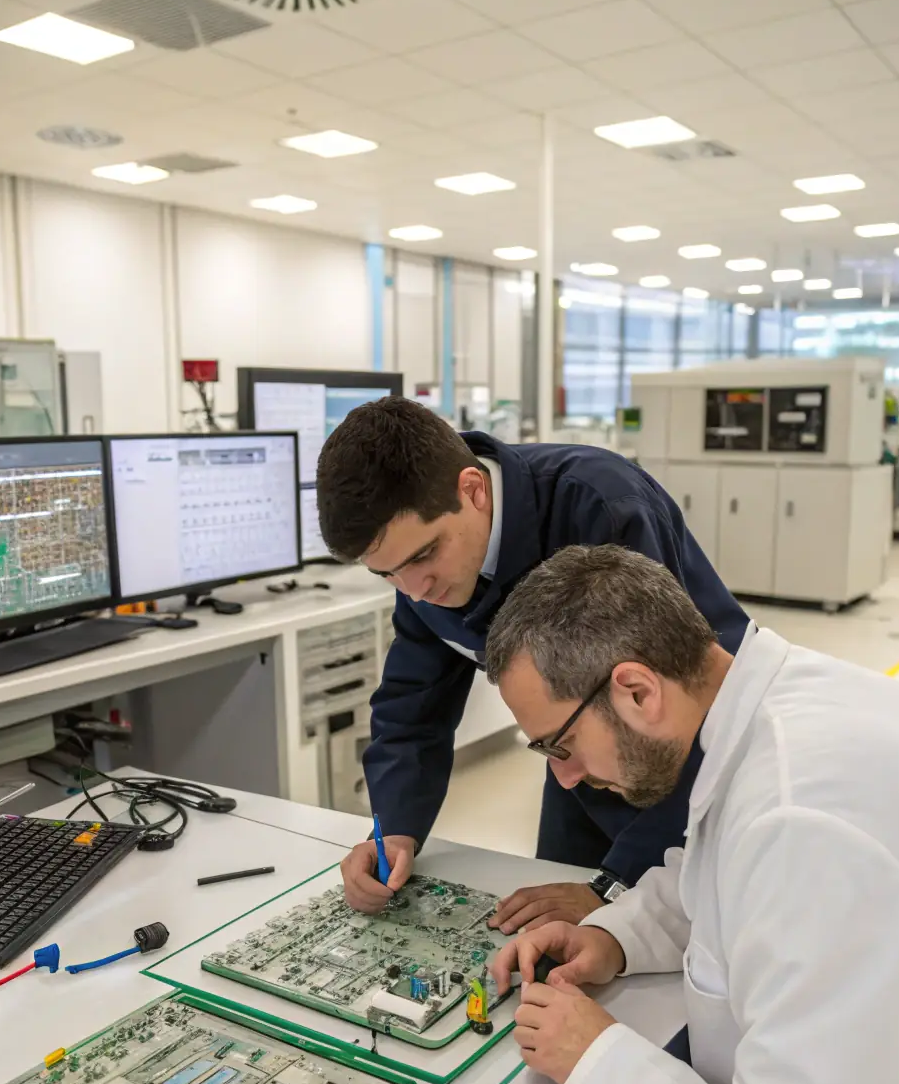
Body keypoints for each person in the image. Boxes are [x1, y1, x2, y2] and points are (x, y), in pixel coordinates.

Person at [486, 544, 899, 1084]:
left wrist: (594, 1056)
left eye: (558, 746)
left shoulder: (803, 826)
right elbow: (718, 870)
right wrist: (615, 936)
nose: (561, 778)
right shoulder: (780, 712)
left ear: (634, 689)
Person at [316, 396, 748, 930]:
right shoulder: (421, 572)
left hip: (696, 764)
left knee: (694, 942)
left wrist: (614, 884)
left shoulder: (600, 504)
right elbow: (413, 707)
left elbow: (678, 710)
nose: (415, 591)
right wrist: (393, 831)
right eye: (388, 575)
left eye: (423, 557)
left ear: (472, 490)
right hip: (581, 764)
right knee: (557, 937)